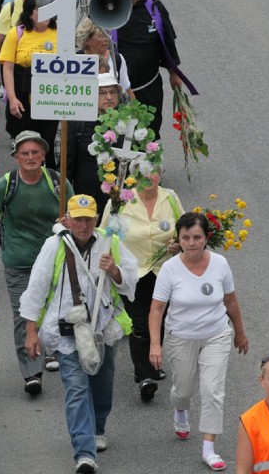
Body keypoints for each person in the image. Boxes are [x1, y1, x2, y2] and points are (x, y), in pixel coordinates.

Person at [21, 194, 138, 474]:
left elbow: (130, 281)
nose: (83, 225)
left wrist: (115, 271)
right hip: (67, 332)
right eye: (78, 219)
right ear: (68, 219)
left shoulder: (111, 242)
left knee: (102, 383)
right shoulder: (55, 245)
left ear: (97, 219)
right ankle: (84, 453)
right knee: (76, 390)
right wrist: (30, 331)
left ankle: (98, 426)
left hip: (103, 329)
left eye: (88, 219)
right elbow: (36, 287)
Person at [150, 212, 249, 471]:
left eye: (197, 237)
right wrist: (155, 344)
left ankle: (208, 448)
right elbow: (157, 309)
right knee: (183, 391)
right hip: (180, 337)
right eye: (186, 238)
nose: (192, 243)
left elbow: (231, 301)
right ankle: (180, 411)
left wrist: (239, 332)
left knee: (213, 391)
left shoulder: (220, 264)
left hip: (216, 335)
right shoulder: (170, 269)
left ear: (206, 238)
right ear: (179, 240)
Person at [0, 130, 71, 393]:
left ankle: (51, 351)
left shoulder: (57, 181)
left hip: (54, 260)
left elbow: (75, 213)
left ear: (44, 155)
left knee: (52, 308)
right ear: (15, 157)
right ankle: (31, 371)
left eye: (35, 152)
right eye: (25, 153)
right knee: (24, 314)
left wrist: (67, 220)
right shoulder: (6, 185)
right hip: (18, 260)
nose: (31, 157)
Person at [100, 166, 183, 401]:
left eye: (154, 172)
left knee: (159, 318)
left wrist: (178, 243)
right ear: (134, 176)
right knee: (139, 322)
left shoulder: (171, 198)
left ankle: (153, 360)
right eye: (143, 173)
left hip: (163, 269)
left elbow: (184, 227)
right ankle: (144, 374)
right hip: (131, 271)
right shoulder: (121, 201)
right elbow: (104, 232)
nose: (149, 177)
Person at [113, 0, 185, 138]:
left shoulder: (154, 8)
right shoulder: (109, 8)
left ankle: (150, 159)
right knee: (120, 127)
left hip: (149, 83)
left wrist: (174, 73)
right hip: (118, 85)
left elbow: (167, 43)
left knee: (151, 124)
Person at [0, 0, 58, 160]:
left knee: (49, 145)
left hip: (51, 99)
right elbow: (7, 69)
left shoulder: (61, 33)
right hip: (24, 97)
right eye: (40, 9)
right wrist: (12, 99)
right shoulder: (16, 33)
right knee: (28, 145)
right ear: (30, 13)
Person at [65, 73, 122, 216]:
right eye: (102, 93)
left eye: (113, 92)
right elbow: (68, 166)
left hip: (120, 199)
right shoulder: (80, 123)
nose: (109, 97)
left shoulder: (129, 124)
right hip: (86, 201)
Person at [76, 17, 133, 101]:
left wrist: (136, 112)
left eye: (108, 34)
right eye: (102, 35)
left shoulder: (117, 59)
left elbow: (127, 91)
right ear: (87, 39)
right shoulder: (76, 60)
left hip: (112, 112)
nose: (107, 39)